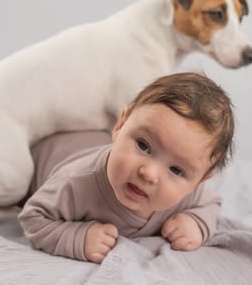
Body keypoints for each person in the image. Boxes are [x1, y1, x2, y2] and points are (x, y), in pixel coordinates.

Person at [18, 72, 234, 263]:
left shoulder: (190, 194)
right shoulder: (75, 182)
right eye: (143, 145)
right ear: (120, 126)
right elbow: (33, 217)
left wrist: (196, 223)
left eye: (176, 170)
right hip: (48, 149)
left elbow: (211, 203)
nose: (149, 174)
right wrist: (77, 237)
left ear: (200, 180)